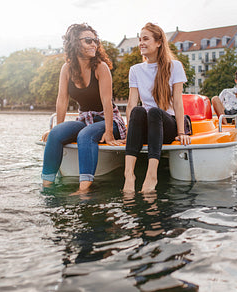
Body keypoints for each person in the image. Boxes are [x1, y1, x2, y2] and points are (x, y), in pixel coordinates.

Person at [41, 23, 126, 192]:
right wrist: (57, 127)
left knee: (85, 135)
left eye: (95, 40)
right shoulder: (66, 69)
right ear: (74, 43)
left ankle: (84, 189)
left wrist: (109, 132)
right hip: (85, 119)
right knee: (56, 134)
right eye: (88, 40)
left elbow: (107, 102)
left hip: (110, 120)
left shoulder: (100, 67)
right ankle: (47, 186)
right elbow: (62, 99)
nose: (94, 44)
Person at [123, 23, 189, 193]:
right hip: (148, 127)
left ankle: (152, 175)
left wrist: (182, 132)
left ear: (159, 42)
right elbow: (131, 103)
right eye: (139, 39)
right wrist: (129, 133)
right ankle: (129, 175)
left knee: (154, 112)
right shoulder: (135, 70)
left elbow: (178, 102)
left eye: (145, 39)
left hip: (166, 125)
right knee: (138, 110)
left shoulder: (174, 66)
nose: (141, 43)